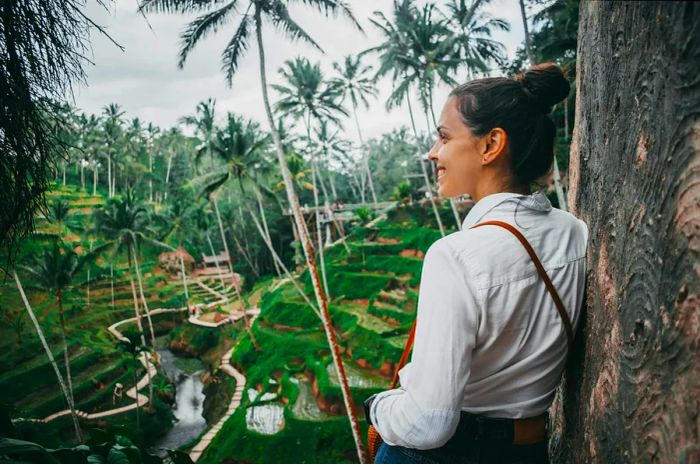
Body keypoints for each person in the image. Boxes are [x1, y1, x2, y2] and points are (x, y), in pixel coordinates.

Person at [364, 63, 589, 463]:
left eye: (444, 138)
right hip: (528, 452)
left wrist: (377, 407)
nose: (433, 153)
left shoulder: (455, 255)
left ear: (491, 145)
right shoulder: (574, 234)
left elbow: (428, 423)